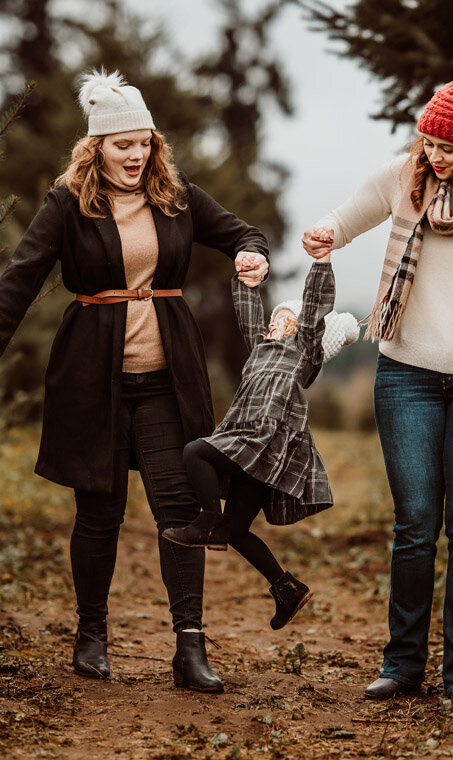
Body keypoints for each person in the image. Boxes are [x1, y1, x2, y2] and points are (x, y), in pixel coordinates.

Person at [0, 70, 270, 694]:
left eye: (144, 144)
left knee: (180, 508)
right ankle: (91, 635)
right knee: (99, 513)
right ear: (96, 147)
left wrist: (249, 254)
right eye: (123, 145)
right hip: (91, 381)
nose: (136, 155)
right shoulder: (68, 202)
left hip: (166, 381)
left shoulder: (177, 196)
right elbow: (20, 276)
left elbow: (242, 232)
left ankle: (189, 648)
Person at [301, 60, 453, 708]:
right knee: (415, 523)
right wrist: (326, 232)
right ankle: (403, 664)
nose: (433, 156)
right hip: (407, 374)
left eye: (446, 147)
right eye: (428, 143)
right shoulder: (404, 178)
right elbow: (348, 217)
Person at [162, 244, 359, 632]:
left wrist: (322, 263)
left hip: (264, 440)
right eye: (274, 317)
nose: (273, 322)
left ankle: (207, 522)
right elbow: (247, 313)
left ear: (299, 327)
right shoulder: (260, 349)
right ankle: (287, 587)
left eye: (283, 318)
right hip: (249, 441)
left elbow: (315, 306)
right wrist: (246, 280)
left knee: (195, 452)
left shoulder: (304, 352)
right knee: (236, 530)